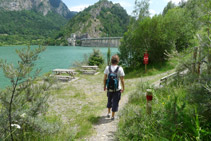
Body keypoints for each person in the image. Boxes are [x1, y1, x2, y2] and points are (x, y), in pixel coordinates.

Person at [103, 55, 125, 120]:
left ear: (111, 60)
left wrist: (104, 86)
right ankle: (112, 116)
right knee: (115, 101)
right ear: (117, 61)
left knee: (109, 100)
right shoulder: (120, 68)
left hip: (109, 88)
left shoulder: (107, 68)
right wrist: (123, 88)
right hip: (117, 89)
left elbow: (104, 79)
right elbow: (122, 80)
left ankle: (108, 113)